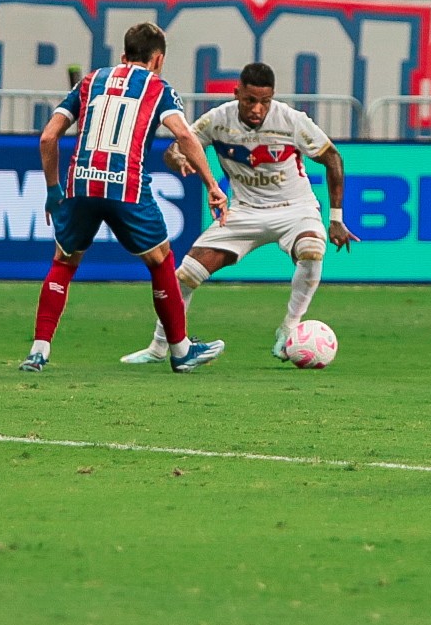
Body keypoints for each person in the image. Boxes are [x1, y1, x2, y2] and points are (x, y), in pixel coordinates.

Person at [22, 22, 229, 375]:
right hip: (125, 185)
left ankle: (38, 351)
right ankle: (180, 350)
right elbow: (184, 134)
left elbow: (47, 138)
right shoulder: (158, 87)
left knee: (64, 262)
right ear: (158, 59)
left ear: (123, 56)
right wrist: (212, 183)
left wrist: (53, 189)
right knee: (161, 260)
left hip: (82, 183)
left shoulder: (90, 81)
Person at [120, 61, 359, 365]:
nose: (257, 109)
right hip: (244, 212)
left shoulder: (291, 120)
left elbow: (333, 159)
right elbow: (177, 148)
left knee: (313, 250)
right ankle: (158, 347)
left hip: (295, 209)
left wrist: (336, 219)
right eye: (250, 100)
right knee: (186, 274)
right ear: (237, 94)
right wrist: (177, 159)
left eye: (265, 101)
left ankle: (288, 329)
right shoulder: (217, 120)